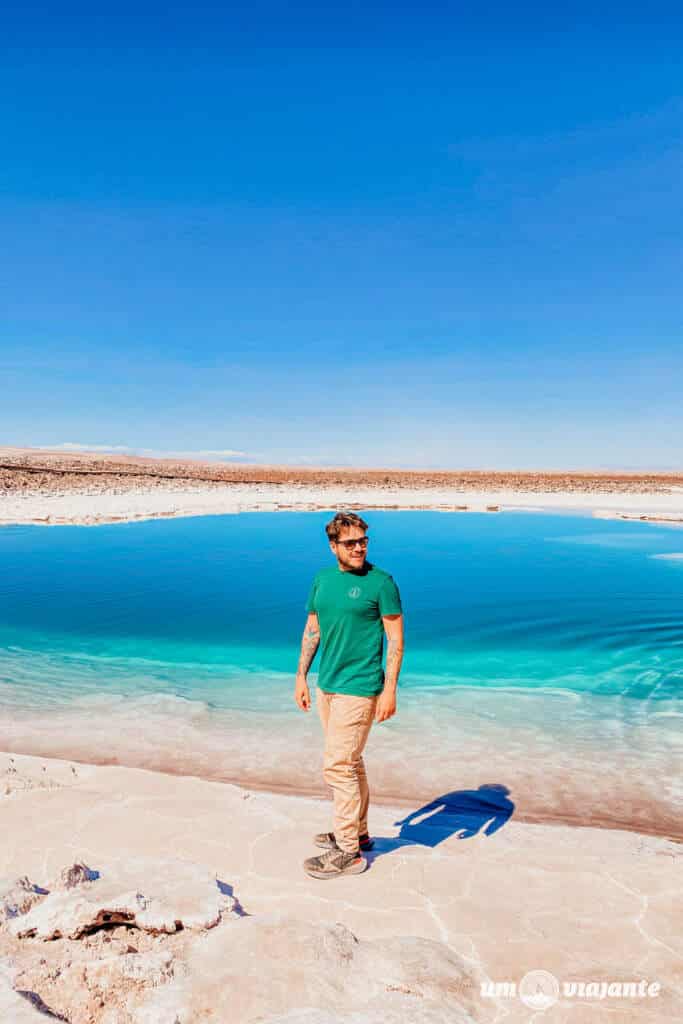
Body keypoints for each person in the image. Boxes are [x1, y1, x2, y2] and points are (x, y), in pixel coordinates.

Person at [294, 511, 404, 879]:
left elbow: (396, 641)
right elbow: (313, 629)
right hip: (329, 685)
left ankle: (349, 853)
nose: (359, 548)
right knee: (351, 763)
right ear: (333, 546)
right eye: (351, 543)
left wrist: (390, 690)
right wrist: (301, 677)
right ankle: (358, 832)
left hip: (360, 688)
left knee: (337, 766)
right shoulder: (322, 580)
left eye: (363, 541)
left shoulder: (381, 583)